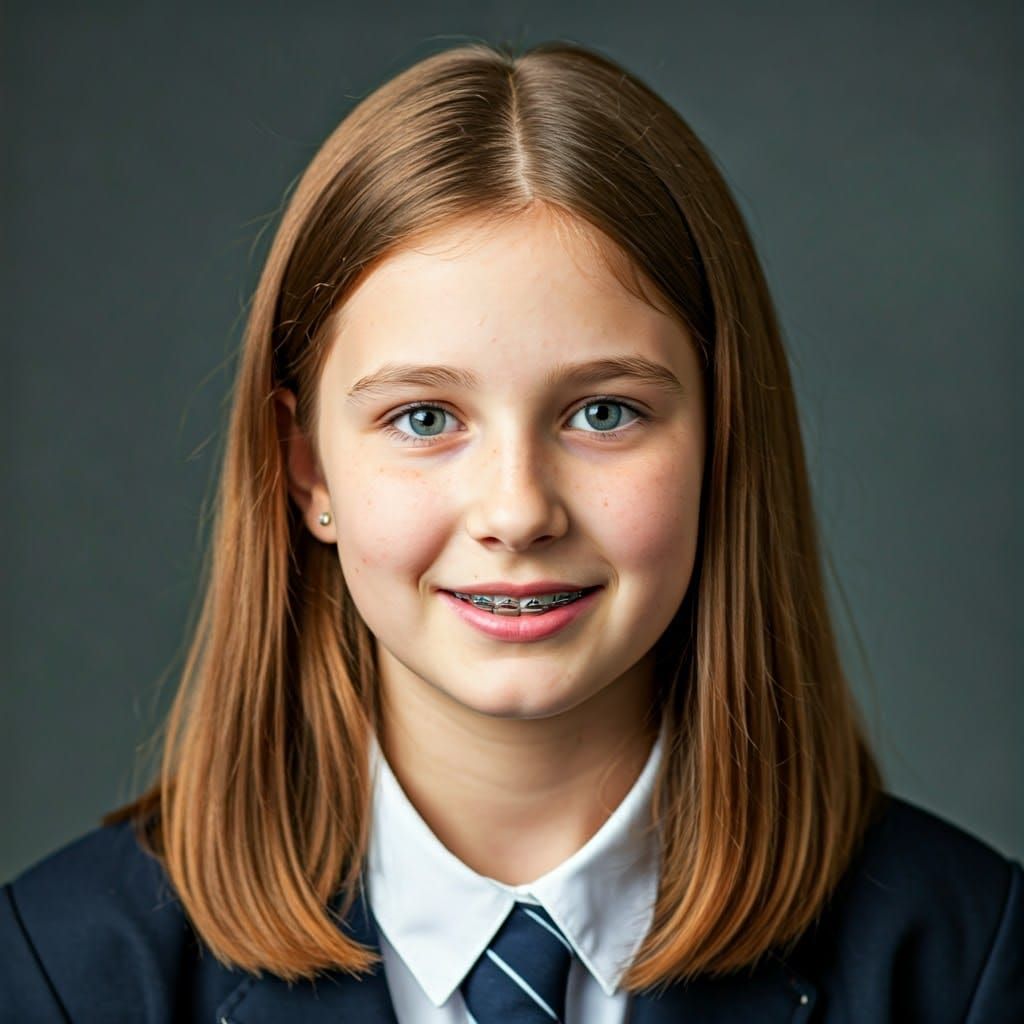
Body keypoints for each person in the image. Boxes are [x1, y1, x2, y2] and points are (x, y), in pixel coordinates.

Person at [1, 38, 1020, 1024]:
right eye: (424, 418)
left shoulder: (967, 962)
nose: (518, 510)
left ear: (722, 440)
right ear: (306, 464)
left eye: (603, 412)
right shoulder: (59, 973)